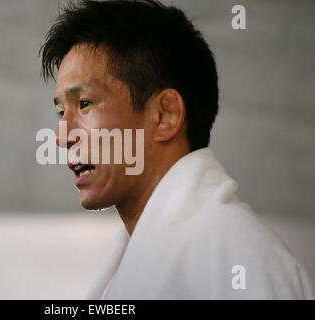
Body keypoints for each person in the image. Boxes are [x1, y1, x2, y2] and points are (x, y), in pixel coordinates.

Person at [39, 0, 313, 299]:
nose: (62, 136)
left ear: (165, 115)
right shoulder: (170, 253)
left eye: (84, 104)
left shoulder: (238, 259)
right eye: (61, 112)